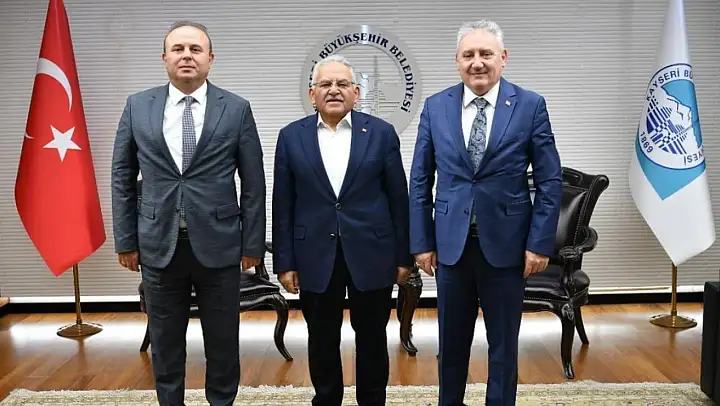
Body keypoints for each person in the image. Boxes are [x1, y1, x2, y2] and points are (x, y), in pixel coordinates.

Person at [111, 20, 266, 406]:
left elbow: (253, 184)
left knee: (223, 342)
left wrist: (252, 245)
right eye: (178, 49)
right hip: (158, 244)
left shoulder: (236, 109)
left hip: (220, 245)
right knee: (165, 343)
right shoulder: (137, 106)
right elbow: (122, 178)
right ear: (164, 57)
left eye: (195, 49)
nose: (186, 56)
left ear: (210, 58)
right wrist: (126, 241)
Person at [408, 20, 563, 406]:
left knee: (504, 345)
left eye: (486, 54)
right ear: (457, 61)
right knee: (451, 344)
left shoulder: (530, 105)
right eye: (468, 55)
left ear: (503, 58)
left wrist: (539, 243)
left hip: (509, 248)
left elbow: (550, 181)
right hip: (451, 247)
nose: (477, 62)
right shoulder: (436, 106)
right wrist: (421, 242)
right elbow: (420, 180)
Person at [272, 54, 413, 406]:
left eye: (342, 84)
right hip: (314, 255)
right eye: (325, 84)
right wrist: (285, 262)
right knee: (321, 338)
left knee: (372, 337)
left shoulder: (381, 133)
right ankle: (326, 399)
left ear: (356, 92)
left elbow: (399, 199)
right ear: (312, 93)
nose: (333, 90)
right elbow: (283, 204)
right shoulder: (290, 137)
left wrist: (404, 257)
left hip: (372, 253)